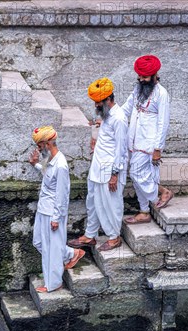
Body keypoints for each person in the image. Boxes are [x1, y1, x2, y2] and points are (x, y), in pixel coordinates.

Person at [68, 78, 128, 252]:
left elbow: (121, 149)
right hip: (97, 166)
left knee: (111, 204)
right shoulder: (108, 116)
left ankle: (114, 237)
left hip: (110, 170)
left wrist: (115, 174)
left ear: (108, 99)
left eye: (98, 103)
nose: (96, 106)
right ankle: (90, 235)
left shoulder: (119, 118)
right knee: (92, 200)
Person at [29, 126, 85, 293]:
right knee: (38, 242)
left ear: (47, 144)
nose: (38, 149)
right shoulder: (50, 159)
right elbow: (48, 175)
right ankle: (71, 254)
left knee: (51, 249)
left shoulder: (61, 165)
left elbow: (62, 194)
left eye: (40, 146)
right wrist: (36, 164)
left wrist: (56, 218)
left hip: (52, 212)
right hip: (43, 208)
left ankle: (53, 283)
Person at [122, 54, 174, 224]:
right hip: (134, 141)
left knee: (136, 173)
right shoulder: (138, 89)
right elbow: (126, 109)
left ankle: (163, 191)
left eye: (144, 76)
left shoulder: (162, 94)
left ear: (154, 75)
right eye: (140, 76)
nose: (141, 79)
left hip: (149, 143)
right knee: (139, 178)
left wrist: (158, 149)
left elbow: (163, 123)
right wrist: (107, 118)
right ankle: (144, 211)